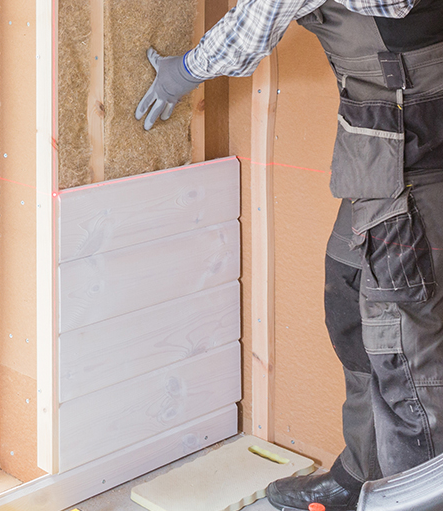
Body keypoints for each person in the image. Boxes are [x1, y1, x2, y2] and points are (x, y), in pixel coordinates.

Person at [136, 1, 443, 510]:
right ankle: (359, 477)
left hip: (407, 172)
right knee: (349, 298)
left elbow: (249, 31)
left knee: (402, 354)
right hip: (388, 157)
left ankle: (409, 500)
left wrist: (182, 73)